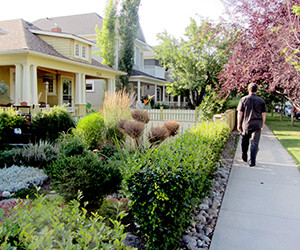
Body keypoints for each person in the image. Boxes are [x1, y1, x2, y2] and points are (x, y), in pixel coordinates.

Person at [237, 83, 267, 167]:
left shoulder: (243, 99)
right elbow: (263, 114)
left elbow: (240, 112)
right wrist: (263, 124)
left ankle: (244, 155)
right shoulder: (261, 101)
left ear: (248, 90)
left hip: (246, 124)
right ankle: (252, 161)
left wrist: (239, 123)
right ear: (257, 90)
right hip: (257, 124)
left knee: (245, 140)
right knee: (255, 142)